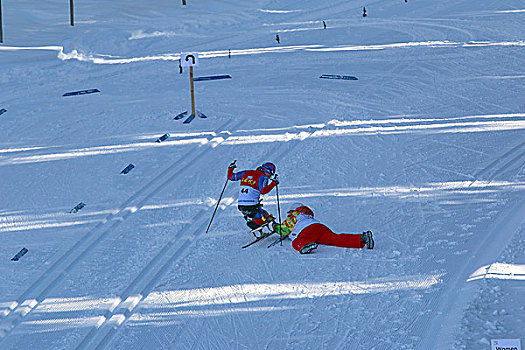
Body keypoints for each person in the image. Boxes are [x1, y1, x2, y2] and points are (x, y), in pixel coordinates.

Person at [273, 202, 374, 254]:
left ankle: (305, 246)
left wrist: (274, 226)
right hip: (320, 227)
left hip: (306, 230)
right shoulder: (307, 215)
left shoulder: (294, 215)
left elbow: (284, 230)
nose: (289, 214)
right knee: (336, 239)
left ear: (293, 210)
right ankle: (362, 238)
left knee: (296, 242)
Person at [227, 161, 279, 231]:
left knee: (257, 213)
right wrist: (274, 183)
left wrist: (231, 168)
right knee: (264, 215)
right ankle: (268, 225)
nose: (271, 176)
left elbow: (230, 177)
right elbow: (263, 191)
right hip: (252, 205)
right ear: (267, 170)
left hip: (241, 205)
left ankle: (256, 225)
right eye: (271, 173)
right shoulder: (263, 177)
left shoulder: (246, 173)